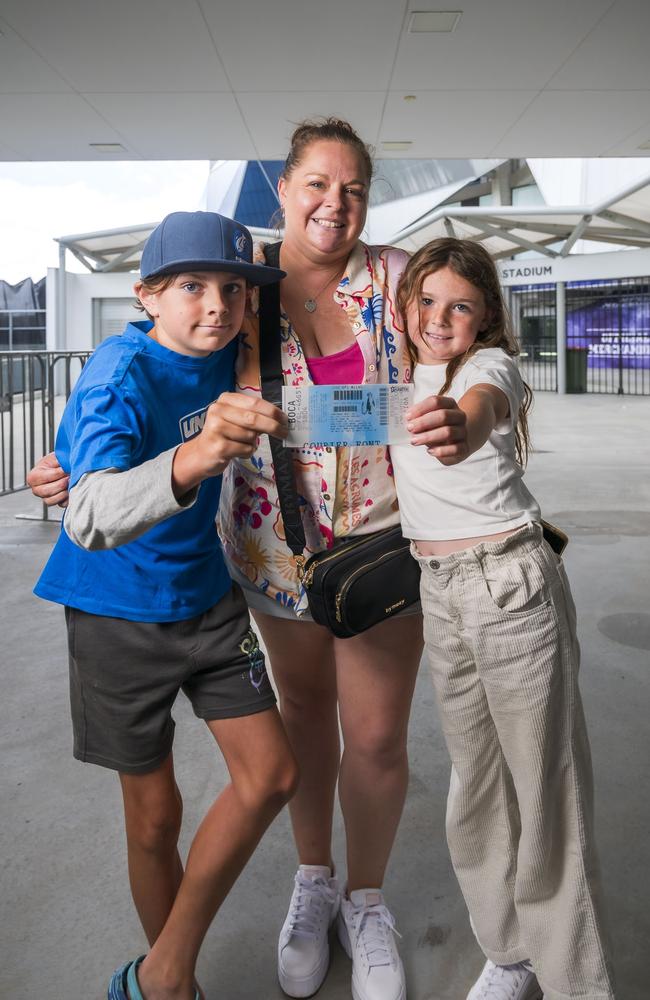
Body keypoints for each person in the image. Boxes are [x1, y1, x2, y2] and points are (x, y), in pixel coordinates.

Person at [28, 120, 462, 1000]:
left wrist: (482, 405)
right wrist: (78, 464)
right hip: (268, 558)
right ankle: (311, 885)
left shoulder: (395, 278)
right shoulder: (243, 287)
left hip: (381, 546)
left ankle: (363, 900)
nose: (331, 205)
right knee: (298, 724)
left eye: (351, 189)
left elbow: (470, 337)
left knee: (372, 736)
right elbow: (149, 381)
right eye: (314, 184)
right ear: (284, 190)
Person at [33, 211, 299, 1000]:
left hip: (209, 602)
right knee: (154, 817)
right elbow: (87, 511)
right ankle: (174, 987)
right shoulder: (118, 368)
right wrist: (194, 455)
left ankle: (160, 971)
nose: (216, 306)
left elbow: (73, 458)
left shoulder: (233, 358)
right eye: (192, 287)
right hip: (115, 614)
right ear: (147, 296)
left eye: (232, 290)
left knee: (272, 775)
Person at [391, 238, 616, 1000]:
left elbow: (480, 410)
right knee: (476, 784)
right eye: (426, 301)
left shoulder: (488, 372)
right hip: (439, 590)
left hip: (509, 587)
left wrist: (461, 420)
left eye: (460, 305)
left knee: (545, 786)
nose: (440, 319)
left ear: (486, 314)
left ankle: (576, 982)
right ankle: (510, 949)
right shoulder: (392, 380)